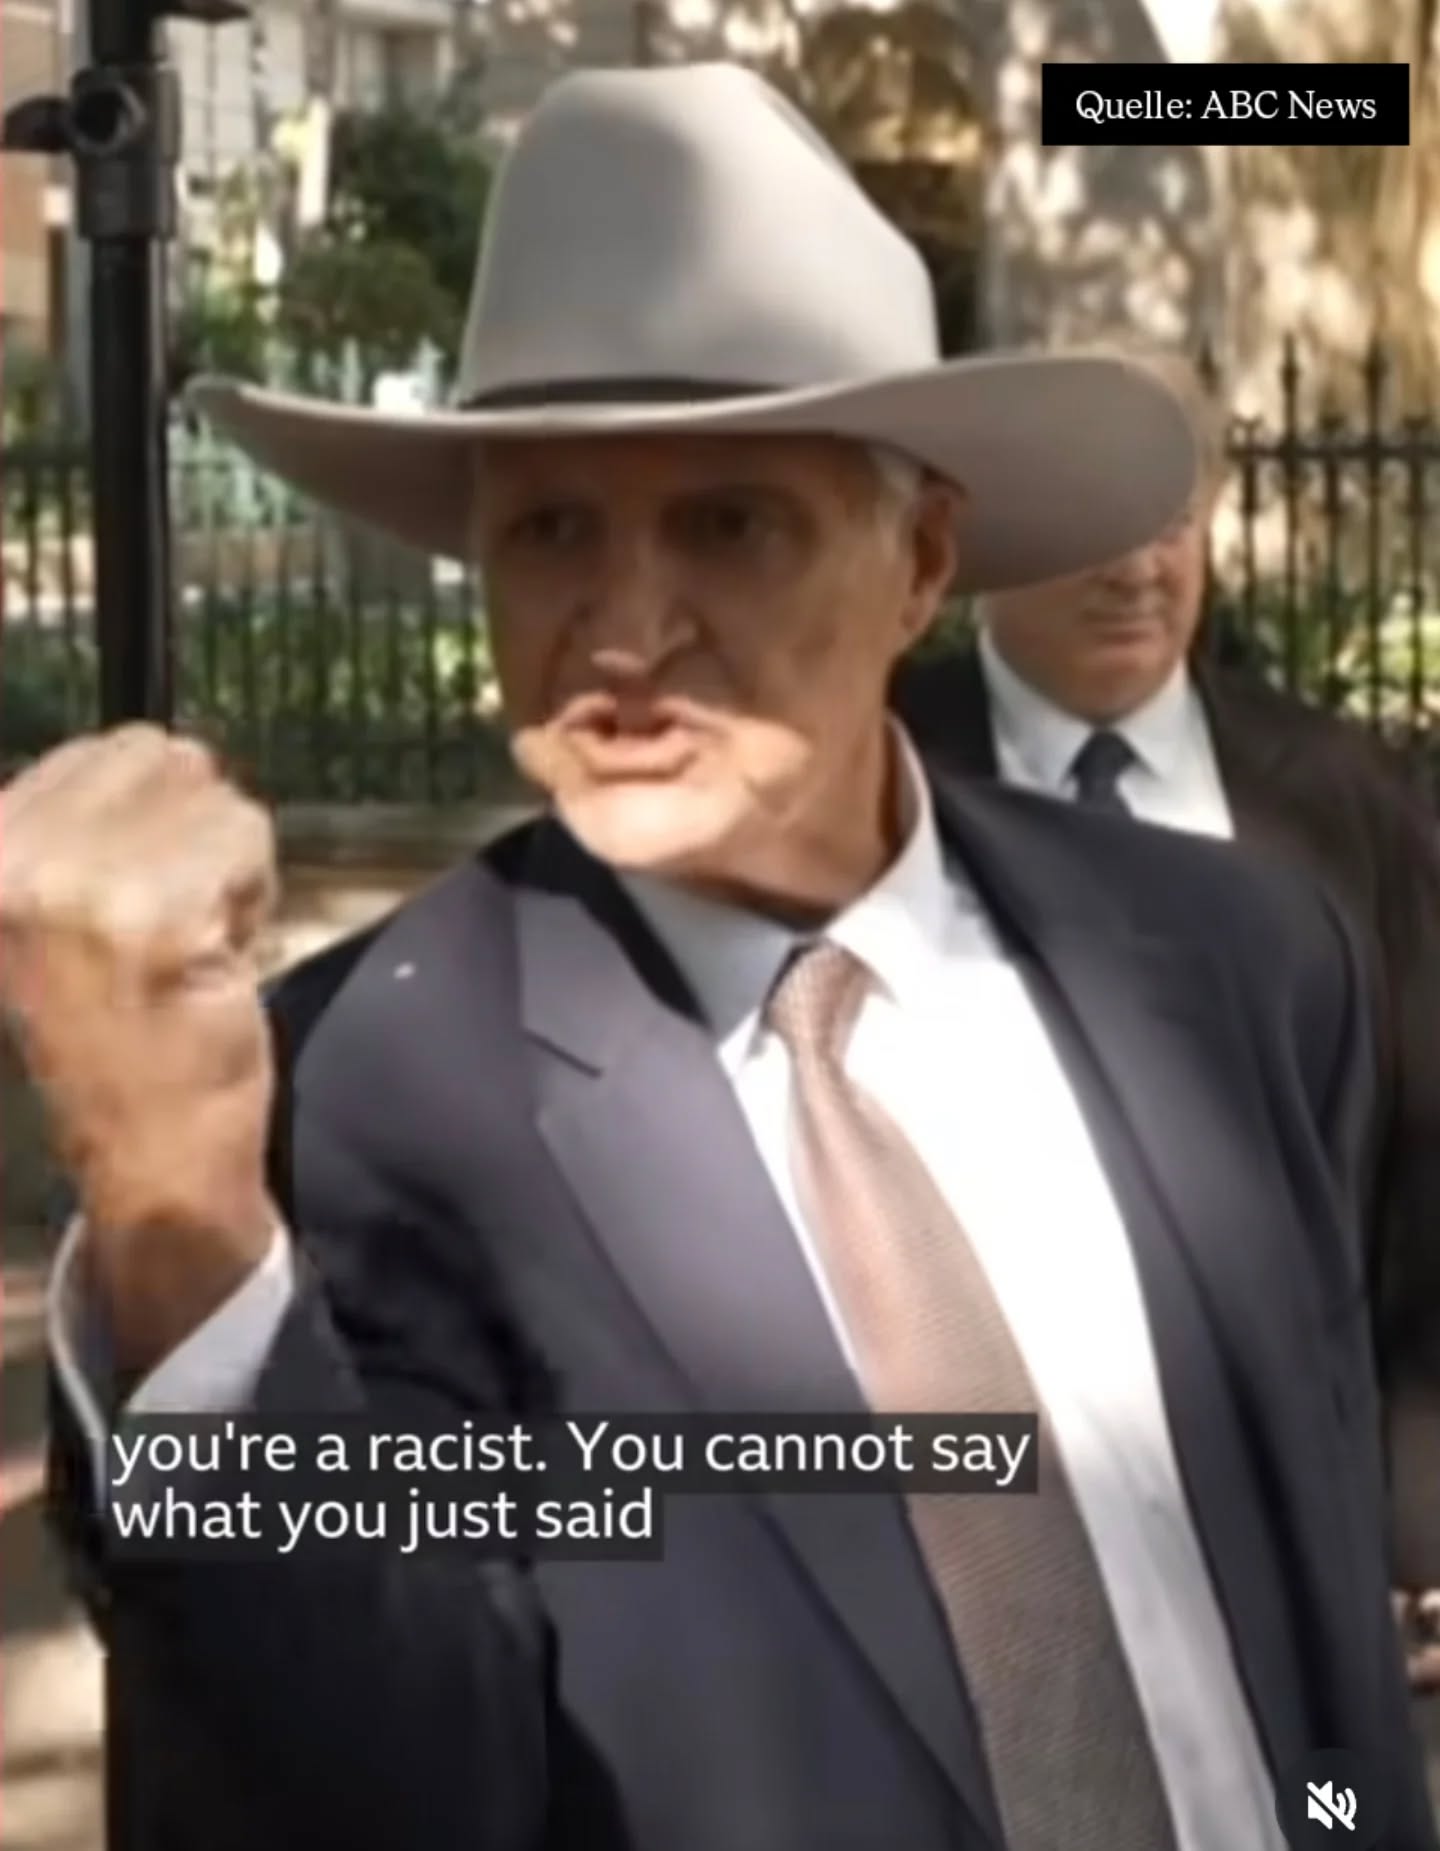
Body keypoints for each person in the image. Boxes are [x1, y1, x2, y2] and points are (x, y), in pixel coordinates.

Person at [4, 62, 1435, 1851]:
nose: (622, 624)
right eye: (549, 531)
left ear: (920, 559)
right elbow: (384, 1753)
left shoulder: (1236, 961)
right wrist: (180, 1230)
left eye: (728, 522)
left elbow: (1305, 1627)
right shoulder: (365, 1096)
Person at [889, 354, 1440, 1658]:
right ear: (981, 541)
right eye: (1095, 521)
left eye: (1173, 518)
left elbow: (1428, 1171)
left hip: (1305, 1521)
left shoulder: (1342, 800)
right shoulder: (875, 781)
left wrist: (1418, 1511)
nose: (1138, 564)